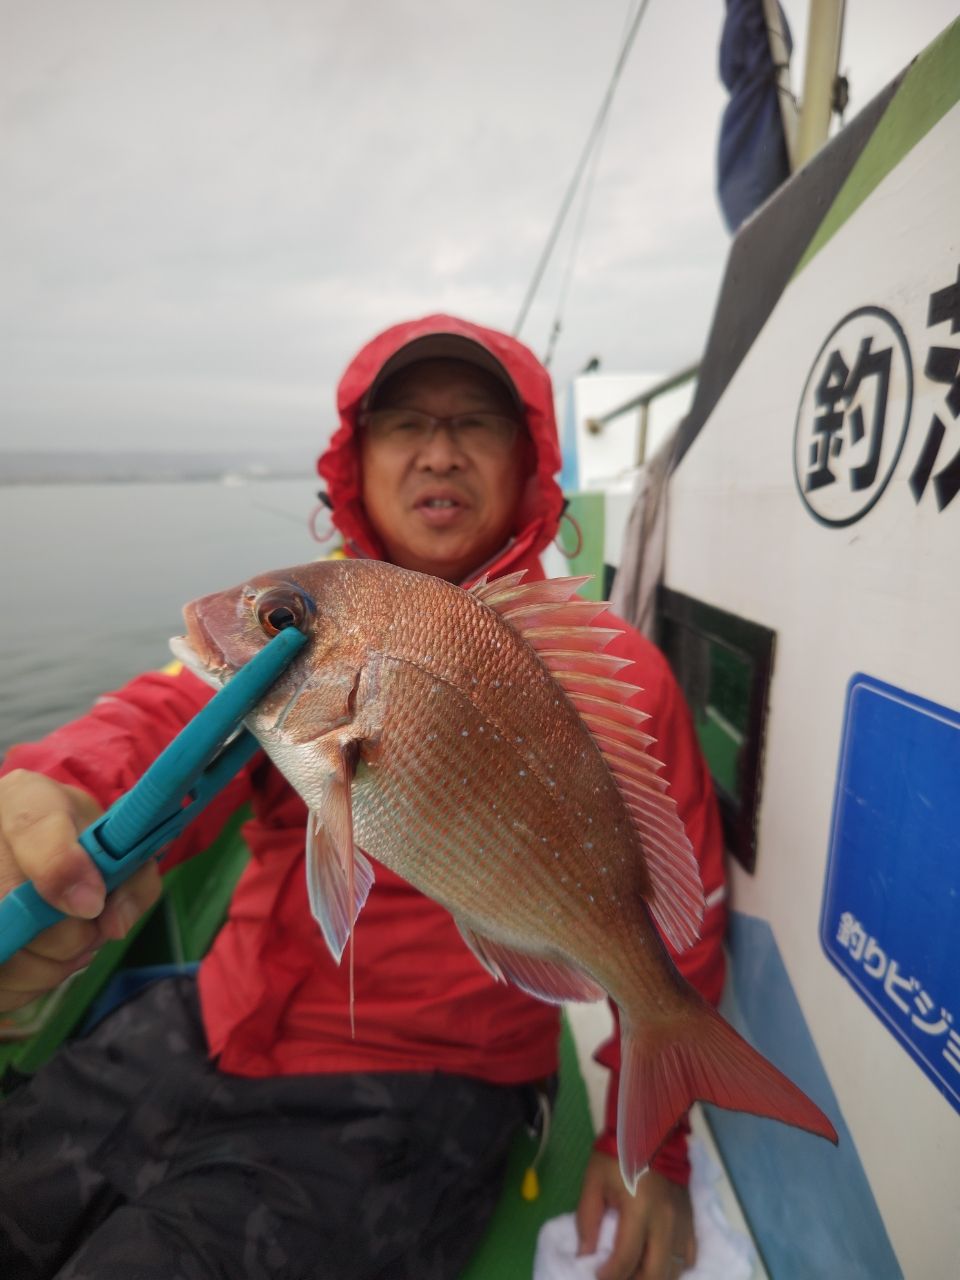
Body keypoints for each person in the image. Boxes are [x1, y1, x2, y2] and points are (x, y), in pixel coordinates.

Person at [0, 314, 727, 1280]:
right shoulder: (310, 624)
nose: (439, 450)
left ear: (531, 457)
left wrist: (648, 1150)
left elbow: (684, 926)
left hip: (419, 1086)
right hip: (207, 1020)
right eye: (403, 423)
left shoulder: (613, 678)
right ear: (358, 455)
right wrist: (56, 790)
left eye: (477, 422)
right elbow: (153, 725)